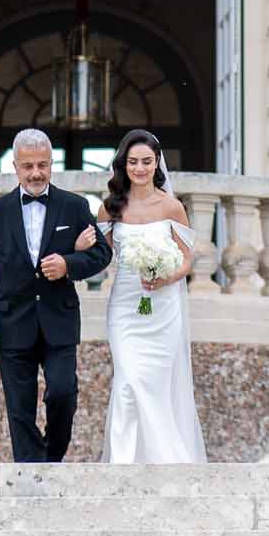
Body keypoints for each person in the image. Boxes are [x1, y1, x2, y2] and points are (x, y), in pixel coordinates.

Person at [0, 127, 113, 463]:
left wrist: (68, 263)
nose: (36, 173)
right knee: (19, 409)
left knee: (63, 393)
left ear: (51, 165)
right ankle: (29, 475)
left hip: (58, 319)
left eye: (43, 165)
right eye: (28, 166)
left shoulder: (75, 207)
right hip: (10, 321)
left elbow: (101, 254)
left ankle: (51, 458)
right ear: (15, 167)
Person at [75, 128, 206, 464]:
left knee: (157, 385)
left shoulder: (172, 207)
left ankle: (166, 461)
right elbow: (100, 258)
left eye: (146, 161)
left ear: (157, 162)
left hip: (163, 308)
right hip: (125, 307)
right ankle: (123, 462)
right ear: (123, 164)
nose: (140, 168)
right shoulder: (110, 208)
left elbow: (187, 259)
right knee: (128, 383)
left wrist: (166, 278)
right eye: (133, 161)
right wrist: (80, 248)